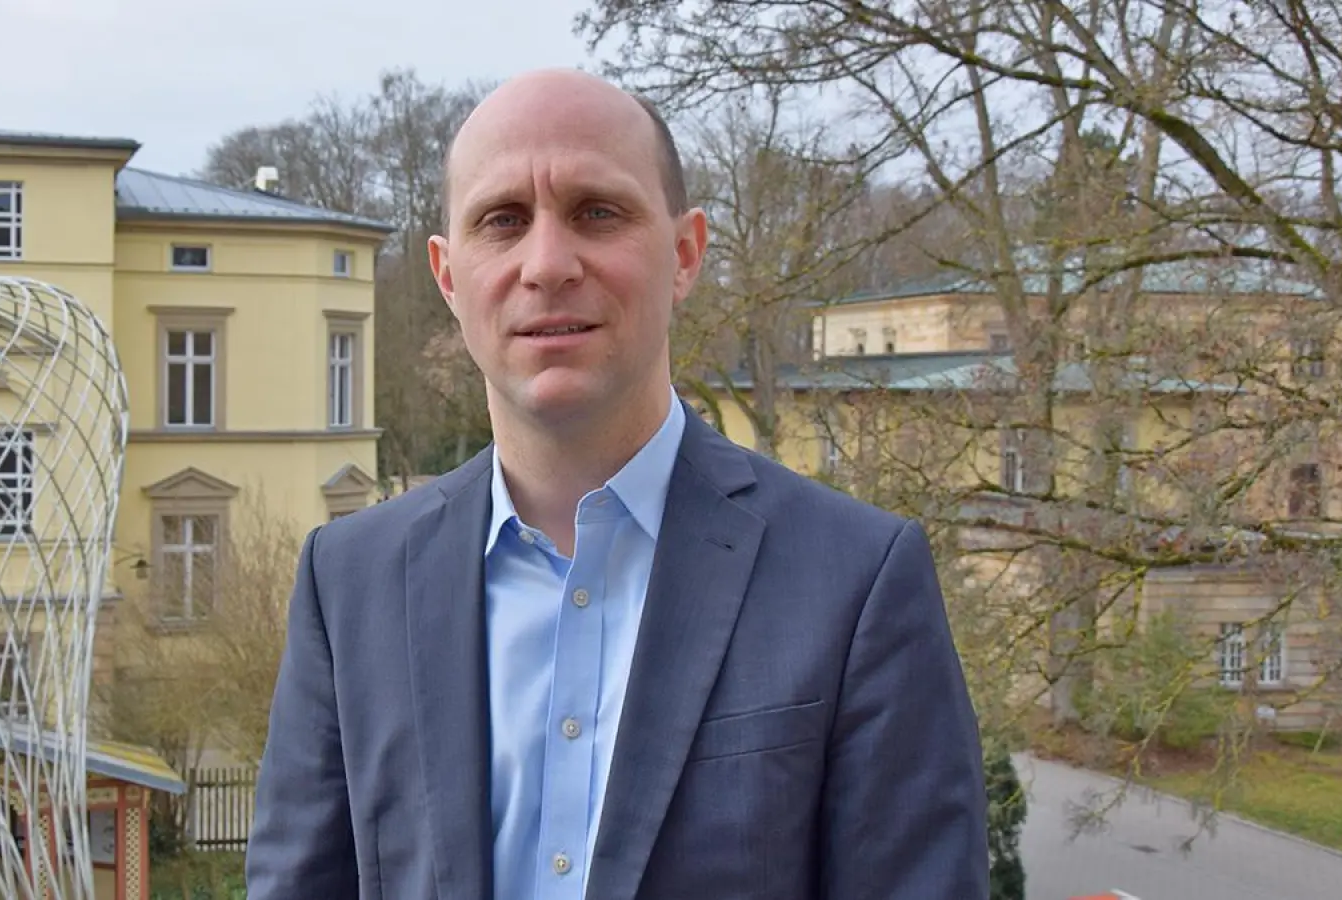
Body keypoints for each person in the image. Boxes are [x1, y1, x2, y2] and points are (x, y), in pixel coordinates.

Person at [245, 67, 989, 899]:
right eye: (503, 220)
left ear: (684, 255)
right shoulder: (349, 584)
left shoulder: (857, 581)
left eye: (598, 212)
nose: (548, 263)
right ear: (450, 278)